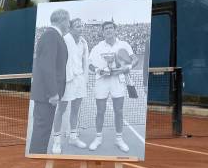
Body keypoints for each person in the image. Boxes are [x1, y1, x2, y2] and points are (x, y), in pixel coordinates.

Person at [87, 21, 137, 153]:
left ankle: (119, 139)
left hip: (118, 81)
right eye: (105, 29)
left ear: (115, 30)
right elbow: (90, 65)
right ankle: (98, 138)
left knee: (118, 111)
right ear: (102, 32)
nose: (108, 30)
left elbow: (135, 59)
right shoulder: (97, 47)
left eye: (110, 28)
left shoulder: (124, 45)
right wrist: (98, 70)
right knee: (100, 111)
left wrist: (127, 68)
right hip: (102, 81)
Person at [29, 9, 70, 154]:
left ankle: (38, 157)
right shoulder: (51, 36)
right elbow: (48, 66)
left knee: (44, 131)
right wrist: (53, 93)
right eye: (68, 21)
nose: (69, 24)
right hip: (47, 95)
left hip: (47, 95)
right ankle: (36, 164)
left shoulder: (52, 35)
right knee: (42, 131)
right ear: (63, 20)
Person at [51, 18, 89, 154]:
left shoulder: (84, 42)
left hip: (79, 80)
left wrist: (85, 79)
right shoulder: (64, 40)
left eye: (81, 25)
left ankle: (73, 137)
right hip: (66, 81)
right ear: (71, 28)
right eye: (78, 26)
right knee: (61, 110)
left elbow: (84, 62)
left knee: (75, 110)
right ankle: (56, 141)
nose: (81, 28)